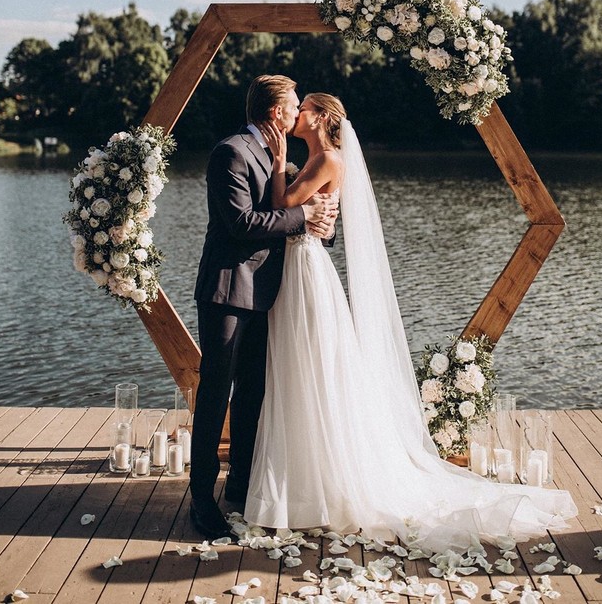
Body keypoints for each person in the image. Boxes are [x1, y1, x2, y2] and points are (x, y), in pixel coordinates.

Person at [244, 92, 577, 552]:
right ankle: (306, 482)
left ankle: (316, 488)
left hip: (306, 272)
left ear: (319, 116)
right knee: (303, 370)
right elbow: (302, 214)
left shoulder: (326, 159)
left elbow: (283, 206)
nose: (296, 112)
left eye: (303, 107)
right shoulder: (319, 157)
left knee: (311, 367)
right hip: (300, 266)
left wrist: (280, 160)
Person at [189, 75, 337, 540]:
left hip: (266, 293)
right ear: (276, 113)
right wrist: (304, 217)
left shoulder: (276, 157)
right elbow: (239, 223)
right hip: (228, 291)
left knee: (253, 391)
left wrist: (319, 217)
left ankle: (241, 483)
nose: (296, 113)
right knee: (215, 395)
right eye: (293, 106)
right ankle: (201, 501)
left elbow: (292, 205)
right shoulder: (230, 152)